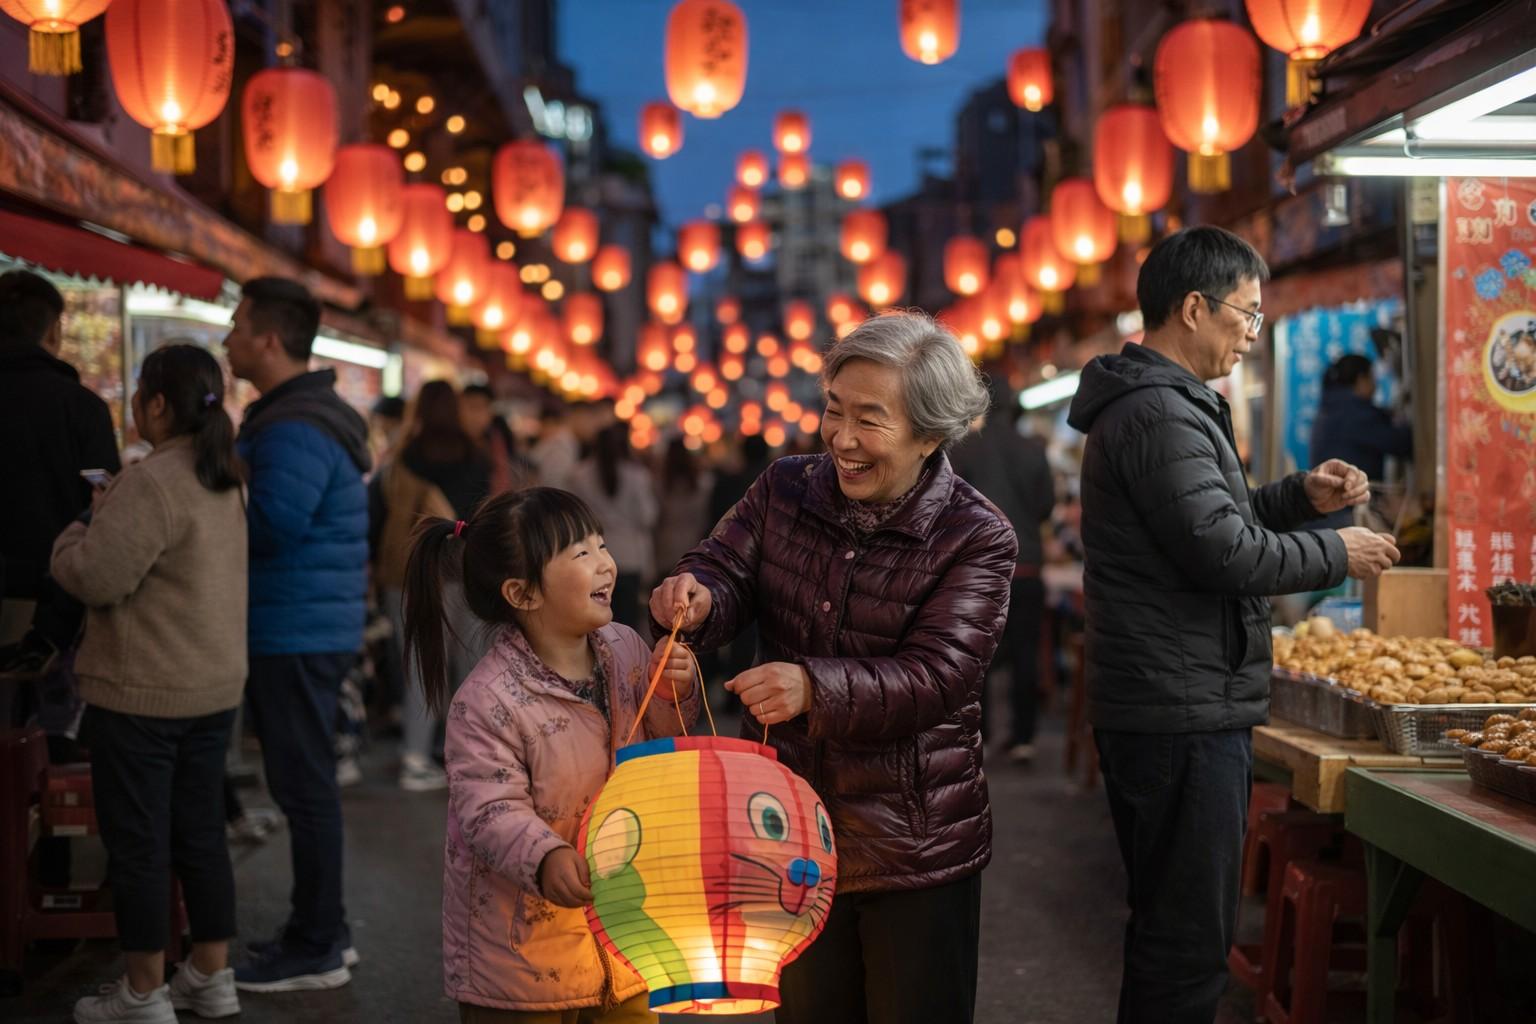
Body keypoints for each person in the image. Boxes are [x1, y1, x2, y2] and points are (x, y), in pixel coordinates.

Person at [1064, 226, 1401, 1024]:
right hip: (1180, 711)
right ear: (1193, 308)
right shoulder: (1159, 413)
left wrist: (1296, 500)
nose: (1254, 333)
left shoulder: (1163, 407)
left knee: (1172, 931)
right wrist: (1335, 550)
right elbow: (1222, 554)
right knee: (1187, 945)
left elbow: (1209, 524)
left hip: (1174, 699)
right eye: (1246, 315)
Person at [650, 311, 1016, 1024]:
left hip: (913, 840)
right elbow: (723, 567)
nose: (841, 439)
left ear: (930, 434)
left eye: (869, 421)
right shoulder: (785, 487)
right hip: (792, 832)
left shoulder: (976, 536)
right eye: (833, 410)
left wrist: (813, 687)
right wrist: (695, 596)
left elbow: (940, 674)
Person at [401, 487, 698, 1023]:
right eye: (581, 554)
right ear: (523, 593)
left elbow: (659, 745)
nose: (606, 564)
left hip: (626, 932)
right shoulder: (487, 700)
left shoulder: (626, 648)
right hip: (522, 961)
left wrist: (674, 692)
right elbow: (488, 809)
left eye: (601, 545)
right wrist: (545, 856)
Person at [52, 345, 248, 1024]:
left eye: (141, 394)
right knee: (200, 835)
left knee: (139, 843)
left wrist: (81, 526)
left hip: (143, 694)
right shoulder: (225, 475)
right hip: (212, 688)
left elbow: (96, 576)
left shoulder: (150, 481)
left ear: (158, 405)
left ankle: (141, 992)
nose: (136, 406)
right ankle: (210, 977)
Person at [222, 276, 370, 991]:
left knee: (303, 787)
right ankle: (324, 933)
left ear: (270, 339)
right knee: (305, 783)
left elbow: (271, 527)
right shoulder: (296, 414)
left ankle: (315, 941)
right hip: (306, 622)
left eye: (238, 324)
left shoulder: (295, 425)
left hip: (295, 627)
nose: (227, 338)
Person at [0, 269, 120, 682]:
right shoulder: (81, 409)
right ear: (54, 332)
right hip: (56, 606)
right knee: (40, 737)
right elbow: (103, 500)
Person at [372, 379, 489, 791]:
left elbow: (379, 512)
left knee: (420, 667)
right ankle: (460, 754)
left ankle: (414, 756)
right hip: (461, 574)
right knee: (468, 668)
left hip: (410, 573)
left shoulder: (404, 457)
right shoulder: (476, 457)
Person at [950, 380, 1056, 761]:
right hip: (1027, 567)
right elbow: (1046, 506)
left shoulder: (966, 450)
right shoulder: (1034, 450)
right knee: (1026, 654)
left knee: (976, 658)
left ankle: (980, 736)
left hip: (979, 571)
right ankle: (1024, 738)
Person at [567, 423, 658, 631]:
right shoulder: (636, 475)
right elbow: (648, 516)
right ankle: (627, 663)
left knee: (596, 621)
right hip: (630, 556)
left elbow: (574, 517)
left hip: (591, 558)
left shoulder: (579, 474)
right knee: (627, 622)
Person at [1308, 353, 1413, 529]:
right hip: (1347, 515)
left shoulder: (1331, 408)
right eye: (1372, 378)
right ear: (1361, 379)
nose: (1375, 385)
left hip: (1328, 514)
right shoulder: (1354, 414)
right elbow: (1402, 442)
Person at [654, 438, 714, 581]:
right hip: (694, 544)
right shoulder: (702, 483)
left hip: (665, 544)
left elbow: (654, 516)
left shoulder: (659, 485)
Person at [460, 382, 533, 496]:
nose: (475, 415)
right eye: (471, 407)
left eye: (482, 408)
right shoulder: (451, 445)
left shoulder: (496, 441)